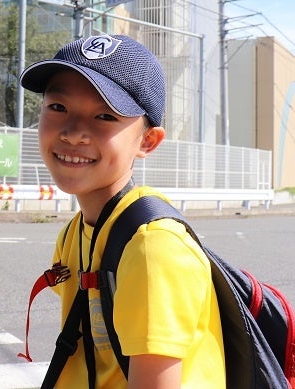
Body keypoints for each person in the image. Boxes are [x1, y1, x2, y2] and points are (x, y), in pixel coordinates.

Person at [20, 34, 224, 388]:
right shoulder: (76, 231)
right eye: (58, 108)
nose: (73, 133)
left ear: (147, 141)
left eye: (103, 116)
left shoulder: (153, 247)